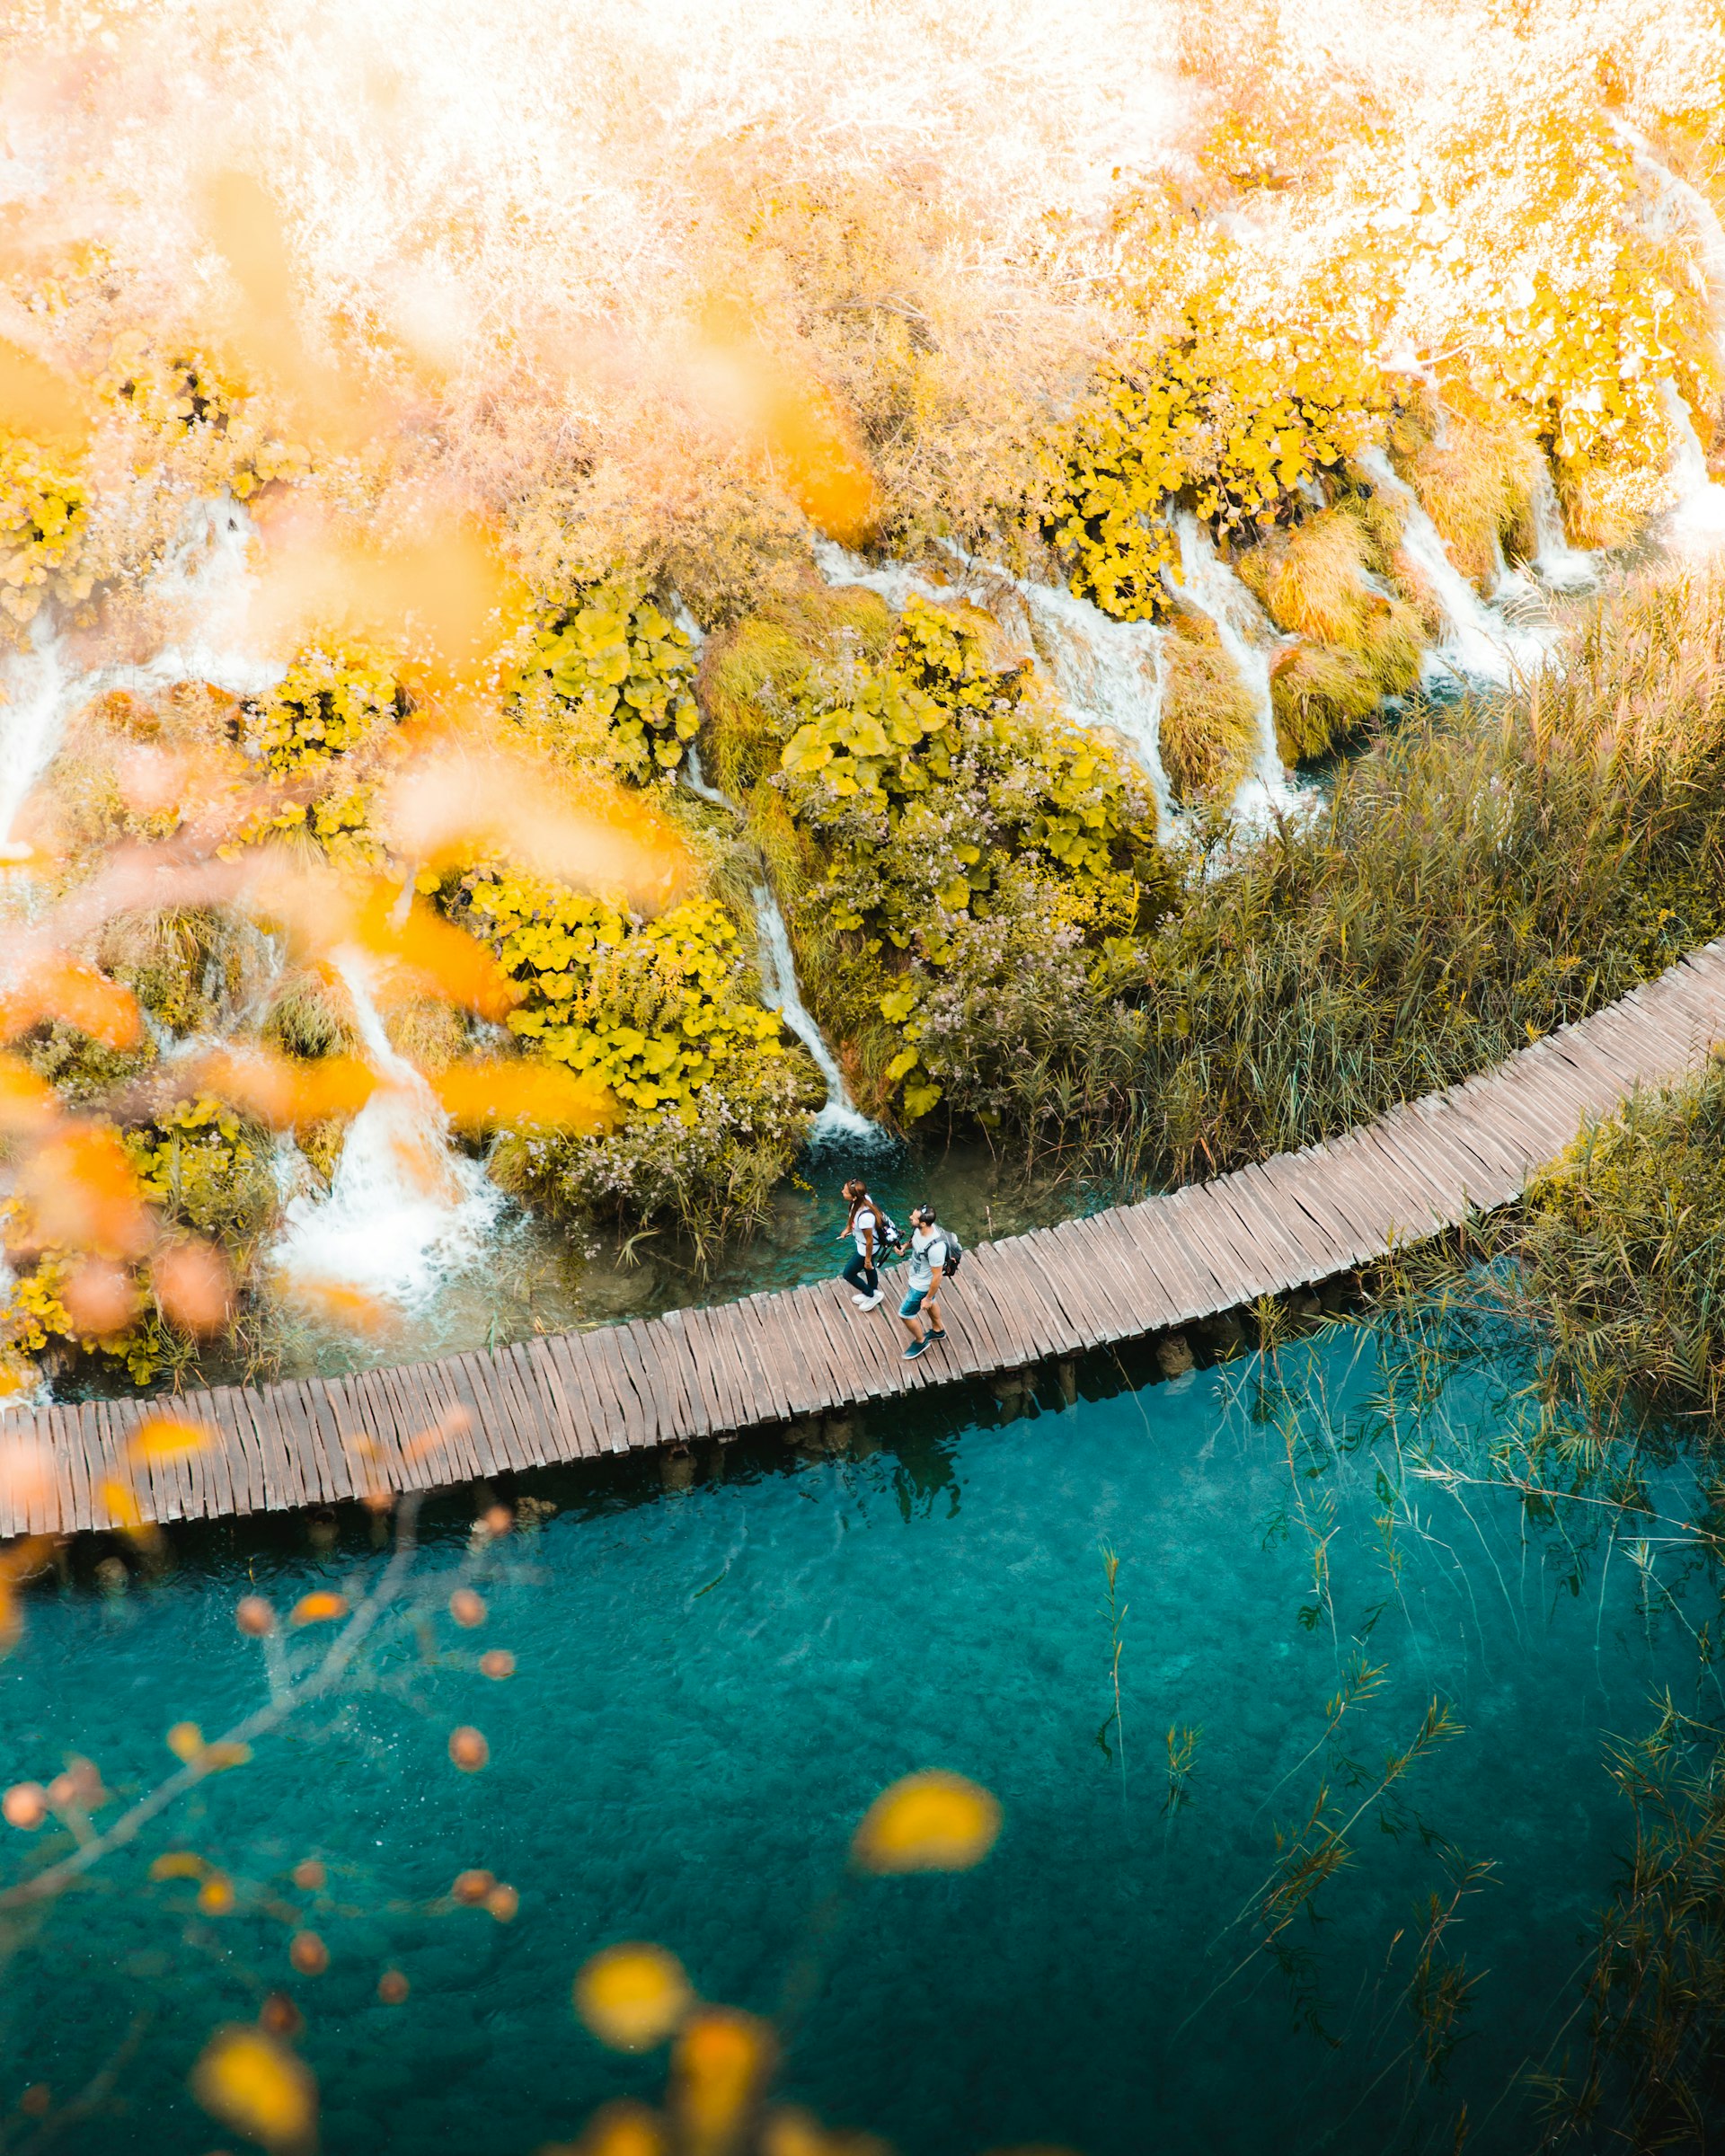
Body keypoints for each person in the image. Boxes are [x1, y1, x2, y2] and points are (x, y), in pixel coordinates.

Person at [898, 1203, 949, 1359]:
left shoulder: (936, 1248)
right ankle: (938, 1330)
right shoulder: (920, 1229)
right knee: (932, 1301)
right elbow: (915, 1240)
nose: (910, 1218)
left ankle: (921, 1341)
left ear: (923, 1223)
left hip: (921, 1287)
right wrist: (904, 1248)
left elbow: (937, 1276)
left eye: (913, 1217)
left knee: (905, 1314)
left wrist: (926, 1298)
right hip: (917, 1278)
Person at [839, 1180, 884, 1310]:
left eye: (845, 1191)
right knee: (868, 1269)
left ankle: (871, 1294)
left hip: (867, 1248)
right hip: (864, 1245)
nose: (842, 1191)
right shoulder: (861, 1199)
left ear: (854, 1197)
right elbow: (852, 1218)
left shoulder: (865, 1218)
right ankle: (872, 1291)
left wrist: (868, 1260)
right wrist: (848, 1229)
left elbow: (869, 1240)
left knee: (848, 1274)